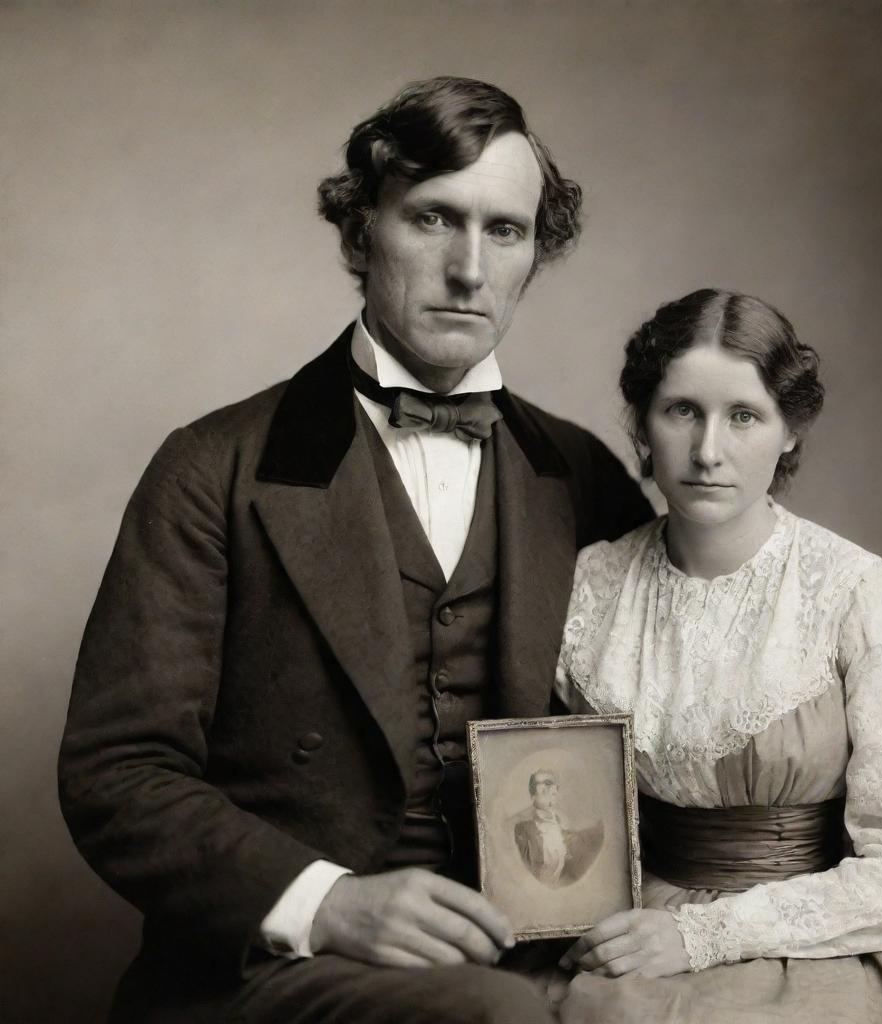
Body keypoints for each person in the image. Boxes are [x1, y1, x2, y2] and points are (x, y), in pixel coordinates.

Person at [57, 76, 651, 1024]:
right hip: (271, 966)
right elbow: (118, 774)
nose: (469, 268)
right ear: (360, 230)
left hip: (537, 944)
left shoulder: (580, 475)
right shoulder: (214, 467)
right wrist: (326, 903)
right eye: (432, 219)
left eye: (504, 231)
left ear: (535, 254)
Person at [550, 289, 882, 1022]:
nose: (709, 451)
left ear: (791, 431)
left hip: (819, 944)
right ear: (643, 423)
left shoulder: (860, 595)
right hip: (627, 936)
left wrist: (703, 934)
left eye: (744, 416)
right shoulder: (592, 587)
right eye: (682, 411)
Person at [514, 770, 603, 887]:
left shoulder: (560, 823)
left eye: (553, 786)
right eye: (545, 784)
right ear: (533, 795)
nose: (552, 789)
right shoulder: (522, 828)